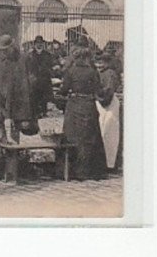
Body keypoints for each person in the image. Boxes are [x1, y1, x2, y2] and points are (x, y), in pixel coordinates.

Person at [60, 47, 108, 180]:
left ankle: (72, 171)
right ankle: (89, 171)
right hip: (88, 105)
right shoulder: (93, 72)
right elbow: (98, 90)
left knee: (72, 136)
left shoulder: (70, 71)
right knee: (90, 138)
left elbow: (64, 90)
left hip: (74, 105)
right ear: (87, 58)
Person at [0, 34, 34, 143]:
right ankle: (1, 154)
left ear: (12, 46)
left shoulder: (22, 59)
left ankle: (13, 157)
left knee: (13, 136)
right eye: (1, 50)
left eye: (5, 49)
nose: (3, 52)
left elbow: (27, 82)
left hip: (15, 102)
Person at [95, 52, 121, 170]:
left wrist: (101, 99)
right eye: (98, 63)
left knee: (109, 132)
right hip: (103, 102)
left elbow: (109, 91)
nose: (99, 65)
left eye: (101, 62)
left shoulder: (110, 74)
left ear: (107, 63)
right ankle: (104, 161)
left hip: (108, 103)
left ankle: (110, 163)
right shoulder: (101, 73)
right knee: (103, 130)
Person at [26, 35, 54, 118]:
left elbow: (50, 65)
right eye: (37, 43)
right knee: (34, 96)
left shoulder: (47, 55)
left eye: (41, 43)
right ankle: (35, 112)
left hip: (44, 79)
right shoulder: (30, 55)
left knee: (44, 96)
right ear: (34, 44)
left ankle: (44, 111)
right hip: (34, 79)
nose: (39, 45)